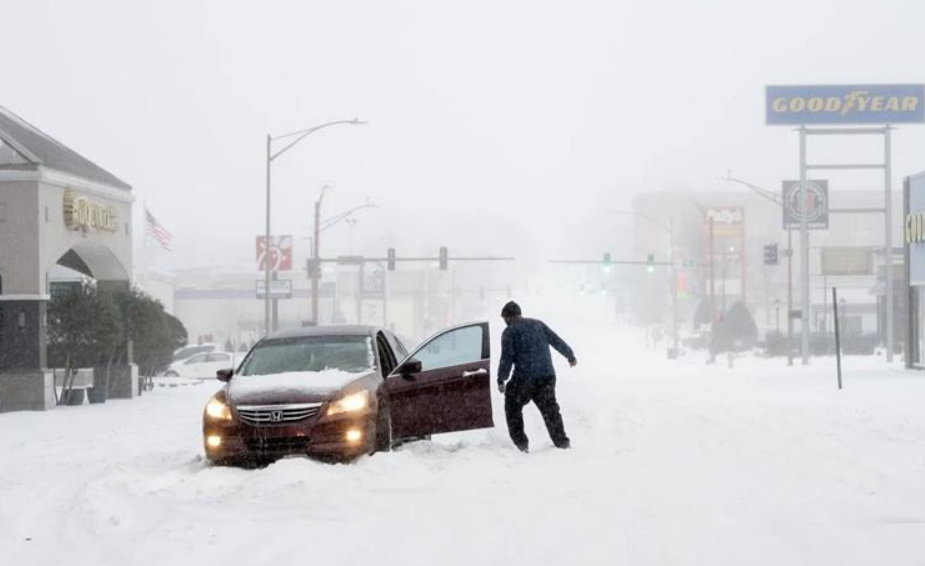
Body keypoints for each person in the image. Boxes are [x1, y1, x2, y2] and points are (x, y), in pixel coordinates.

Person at [497, 301, 577, 453]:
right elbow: (555, 340)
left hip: (524, 379)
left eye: (504, 319)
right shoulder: (538, 324)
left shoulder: (509, 332)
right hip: (547, 376)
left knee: (512, 406)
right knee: (550, 410)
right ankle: (562, 443)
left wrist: (501, 379)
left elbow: (506, 358)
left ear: (508, 317)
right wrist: (570, 355)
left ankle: (521, 444)